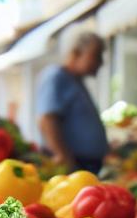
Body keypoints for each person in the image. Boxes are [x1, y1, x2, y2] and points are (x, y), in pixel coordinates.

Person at [36, 31, 109, 174]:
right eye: (97, 55)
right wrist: (64, 157)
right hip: (72, 167)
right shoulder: (56, 76)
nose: (101, 62)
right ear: (76, 53)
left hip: (86, 166)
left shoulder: (76, 80)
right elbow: (47, 120)